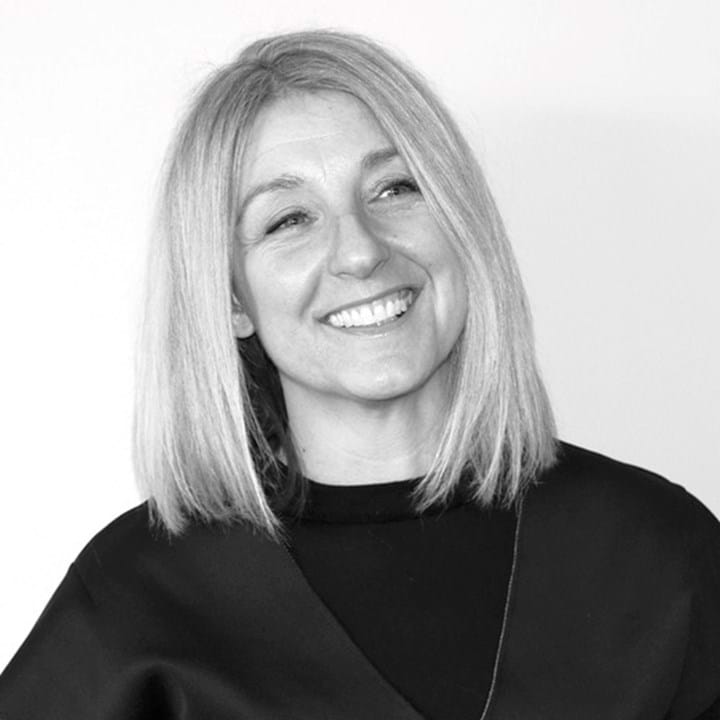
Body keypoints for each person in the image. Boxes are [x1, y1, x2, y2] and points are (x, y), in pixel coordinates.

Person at [0, 29, 718, 720]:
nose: (360, 252)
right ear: (231, 300)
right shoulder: (136, 597)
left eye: (395, 188)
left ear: (463, 225)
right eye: (289, 220)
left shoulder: (658, 551)